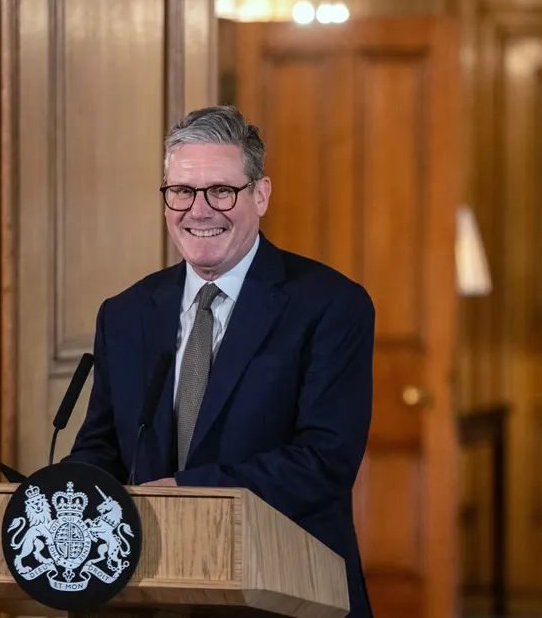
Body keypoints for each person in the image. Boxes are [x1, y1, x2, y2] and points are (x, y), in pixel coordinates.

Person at [66, 105, 375, 618]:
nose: (199, 210)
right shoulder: (125, 313)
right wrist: (65, 496)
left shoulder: (330, 304)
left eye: (221, 191)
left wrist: (188, 493)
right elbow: (101, 446)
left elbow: (325, 461)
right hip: (148, 597)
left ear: (260, 194)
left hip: (285, 590)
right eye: (182, 191)